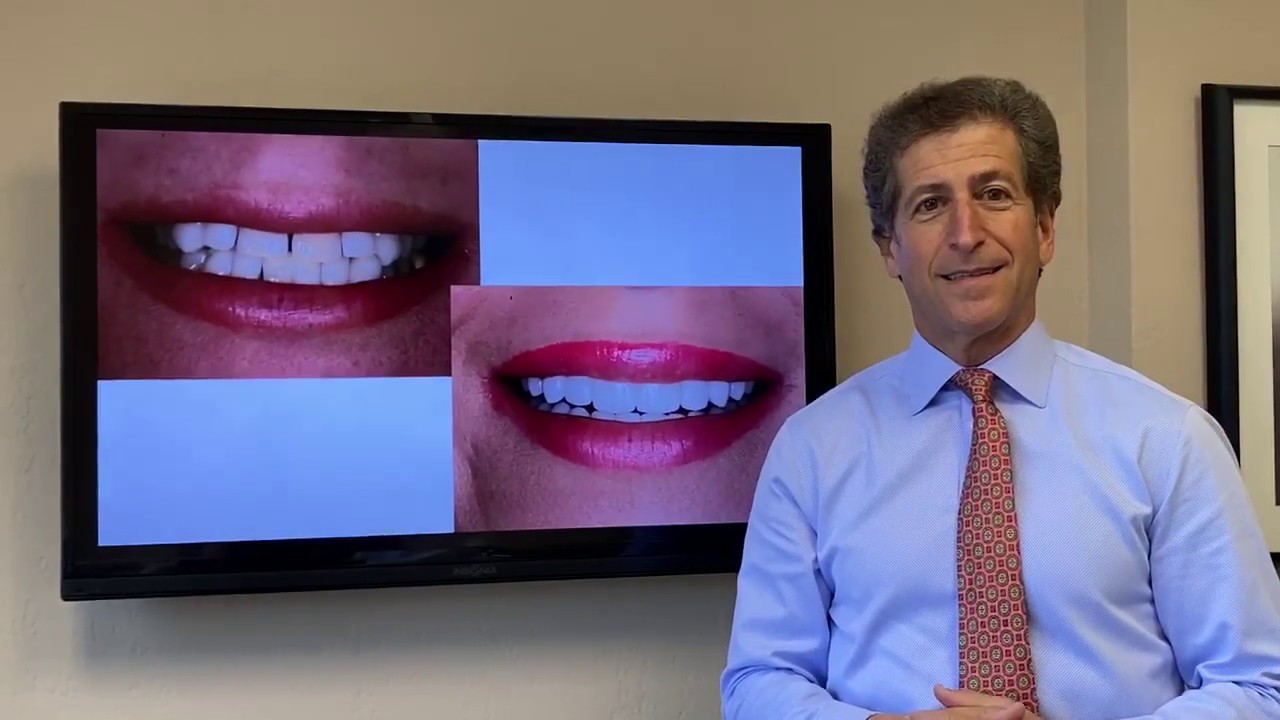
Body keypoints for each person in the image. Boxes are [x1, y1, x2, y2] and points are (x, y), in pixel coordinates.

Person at [720, 76, 1280, 720]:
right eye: (930, 205)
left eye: (993, 194)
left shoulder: (1167, 437)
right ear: (890, 248)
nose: (966, 232)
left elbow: (1258, 684)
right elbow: (759, 681)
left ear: (1044, 228)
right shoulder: (813, 447)